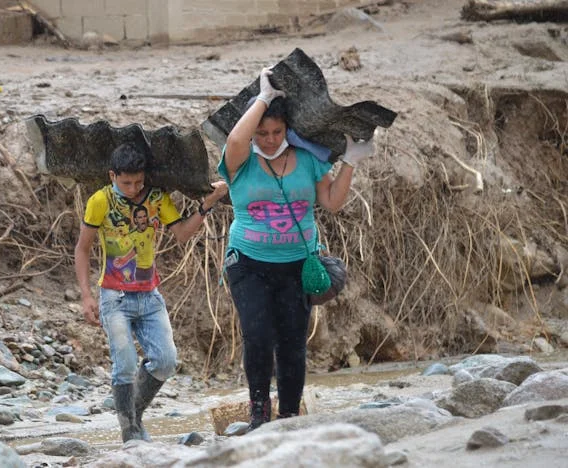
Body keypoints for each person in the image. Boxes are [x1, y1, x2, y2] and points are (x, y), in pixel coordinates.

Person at [218, 67, 375, 430]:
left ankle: (288, 418)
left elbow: (332, 201)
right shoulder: (240, 162)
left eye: (277, 132)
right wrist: (263, 98)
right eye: (263, 133)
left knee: (292, 342)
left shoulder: (308, 159)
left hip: (296, 265)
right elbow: (236, 142)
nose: (271, 140)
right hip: (247, 262)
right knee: (257, 337)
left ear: (287, 129)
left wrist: (350, 160)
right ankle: (259, 414)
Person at [75, 143, 228, 442]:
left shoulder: (157, 199)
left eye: (138, 182)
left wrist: (206, 205)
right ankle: (130, 433)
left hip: (149, 295)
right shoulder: (100, 201)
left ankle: (133, 414)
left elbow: (182, 234)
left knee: (166, 360)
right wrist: (85, 295)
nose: (133, 189)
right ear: (112, 176)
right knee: (126, 364)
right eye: (126, 182)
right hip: (113, 296)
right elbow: (82, 249)